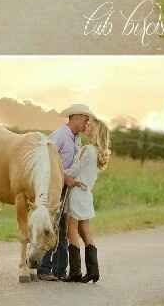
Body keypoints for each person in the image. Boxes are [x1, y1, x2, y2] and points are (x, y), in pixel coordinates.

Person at [37, 104, 92, 281]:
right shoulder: (59, 135)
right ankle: (44, 269)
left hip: (66, 189)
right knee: (52, 227)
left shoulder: (77, 139)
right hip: (53, 188)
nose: (87, 123)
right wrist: (64, 177)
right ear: (75, 117)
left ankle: (59, 270)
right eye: (85, 119)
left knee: (63, 229)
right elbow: (46, 161)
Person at [64, 117, 111, 284]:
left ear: (96, 132)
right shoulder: (97, 152)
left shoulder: (87, 149)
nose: (87, 126)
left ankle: (75, 272)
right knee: (86, 232)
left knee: (72, 231)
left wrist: (59, 171)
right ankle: (93, 271)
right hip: (86, 195)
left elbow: (74, 171)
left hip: (76, 192)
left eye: (91, 126)